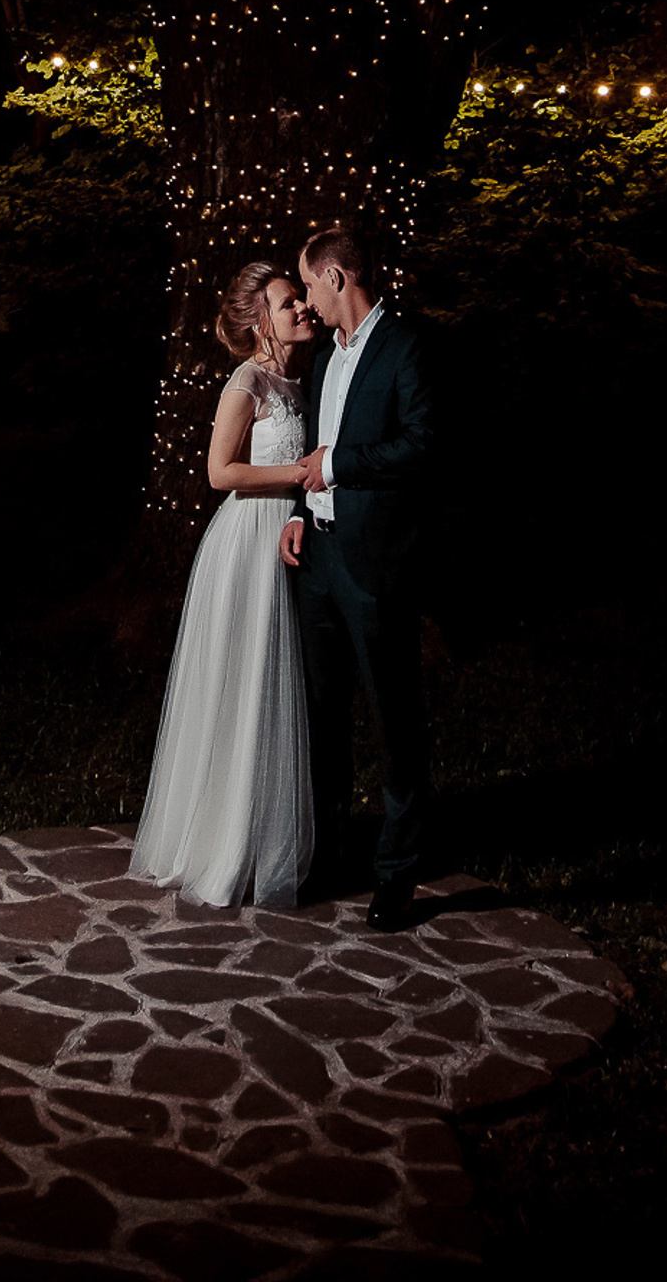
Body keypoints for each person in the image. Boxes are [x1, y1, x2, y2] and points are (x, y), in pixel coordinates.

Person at [128, 264, 320, 907]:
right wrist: (300, 473)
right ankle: (219, 842)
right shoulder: (248, 381)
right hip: (243, 544)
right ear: (260, 318)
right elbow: (219, 472)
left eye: (300, 298)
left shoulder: (301, 381)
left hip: (284, 539)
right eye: (288, 302)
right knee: (239, 680)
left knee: (272, 687)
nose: (302, 308)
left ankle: (264, 837)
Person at [281, 223, 434, 931]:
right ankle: (330, 851)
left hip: (376, 563)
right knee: (322, 714)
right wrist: (297, 510)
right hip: (317, 557)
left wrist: (338, 467)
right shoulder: (321, 360)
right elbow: (307, 443)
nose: (305, 298)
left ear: (337, 278)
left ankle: (398, 874)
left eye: (308, 281)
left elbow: (423, 444)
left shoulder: (407, 346)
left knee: (393, 716)